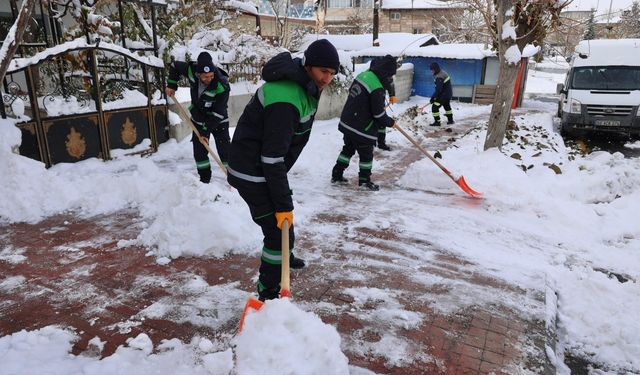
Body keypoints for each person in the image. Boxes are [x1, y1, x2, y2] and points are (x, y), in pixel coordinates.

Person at [227, 39, 339, 301]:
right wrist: (282, 202)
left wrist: (283, 202)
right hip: (253, 171)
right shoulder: (287, 98)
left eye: (332, 73)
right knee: (277, 232)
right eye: (324, 71)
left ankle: (284, 258)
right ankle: (268, 291)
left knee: (284, 220)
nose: (328, 78)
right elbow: (272, 158)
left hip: (262, 165)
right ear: (308, 66)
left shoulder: (303, 84)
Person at [331, 54, 397, 191]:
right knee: (366, 155)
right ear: (385, 73)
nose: (391, 78)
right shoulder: (377, 87)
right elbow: (378, 114)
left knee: (347, 149)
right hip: (361, 128)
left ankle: (337, 174)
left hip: (348, 121)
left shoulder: (365, 75)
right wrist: (389, 122)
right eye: (390, 75)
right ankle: (364, 182)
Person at [165, 52, 230, 183]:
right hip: (199, 117)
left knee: (225, 151)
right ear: (198, 74)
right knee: (199, 152)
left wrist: (205, 131)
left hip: (218, 119)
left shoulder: (221, 85)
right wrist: (172, 85)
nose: (209, 79)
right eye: (205, 77)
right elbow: (174, 66)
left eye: (211, 76)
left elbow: (218, 113)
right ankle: (204, 180)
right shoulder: (191, 70)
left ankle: (234, 179)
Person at [428, 62, 454, 126]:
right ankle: (450, 120)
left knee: (434, 107)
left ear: (436, 69)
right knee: (447, 106)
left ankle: (437, 122)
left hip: (444, 95)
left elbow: (438, 89)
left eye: (432, 70)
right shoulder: (442, 72)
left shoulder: (439, 77)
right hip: (448, 94)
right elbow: (441, 88)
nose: (432, 71)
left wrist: (433, 98)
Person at [377, 71, 397, 151]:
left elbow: (391, 83)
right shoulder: (375, 77)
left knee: (382, 123)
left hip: (380, 98)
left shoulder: (387, 74)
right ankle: (366, 143)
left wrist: (392, 95)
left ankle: (381, 143)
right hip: (373, 99)